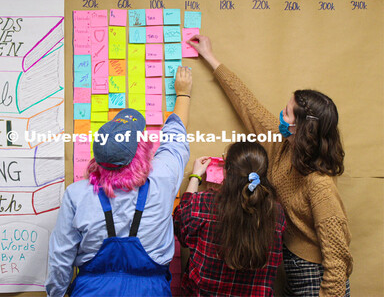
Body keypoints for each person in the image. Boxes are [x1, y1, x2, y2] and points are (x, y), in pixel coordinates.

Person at [187, 35, 352, 297]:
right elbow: (248, 105)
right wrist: (210, 57)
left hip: (316, 275)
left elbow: (337, 255)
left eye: (287, 113)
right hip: (291, 264)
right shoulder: (282, 143)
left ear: (302, 128)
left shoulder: (319, 184)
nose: (280, 115)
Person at [45, 67, 192, 297]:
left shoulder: (77, 194)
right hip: (150, 291)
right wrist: (183, 94)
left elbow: (60, 256)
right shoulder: (163, 178)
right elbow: (176, 140)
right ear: (142, 151)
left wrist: (57, 293)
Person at [174, 142, 286, 296]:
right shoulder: (276, 213)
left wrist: (195, 177)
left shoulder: (203, 204)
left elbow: (180, 229)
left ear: (226, 171)